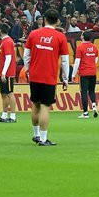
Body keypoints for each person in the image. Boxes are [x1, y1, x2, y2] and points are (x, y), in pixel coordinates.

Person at [24, 8, 71, 146]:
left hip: (34, 75)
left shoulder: (33, 34)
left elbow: (26, 55)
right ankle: (44, 139)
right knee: (45, 106)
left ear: (44, 20)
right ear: (57, 21)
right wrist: (65, 78)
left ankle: (36, 135)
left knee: (35, 104)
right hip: (49, 77)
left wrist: (28, 70)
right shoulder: (60, 37)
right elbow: (65, 60)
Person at [72, 29, 99, 118]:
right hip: (93, 72)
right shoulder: (94, 47)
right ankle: (94, 106)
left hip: (84, 72)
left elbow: (77, 61)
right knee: (92, 90)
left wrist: (73, 74)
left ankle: (85, 113)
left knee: (84, 92)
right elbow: (96, 60)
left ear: (83, 37)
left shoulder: (80, 47)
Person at [0, 26, 19, 123]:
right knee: (4, 93)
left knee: (9, 93)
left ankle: (13, 116)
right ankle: (4, 115)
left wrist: (4, 72)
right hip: (4, 72)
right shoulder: (6, 41)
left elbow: (8, 58)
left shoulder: (7, 41)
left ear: (0, 30)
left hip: (8, 72)